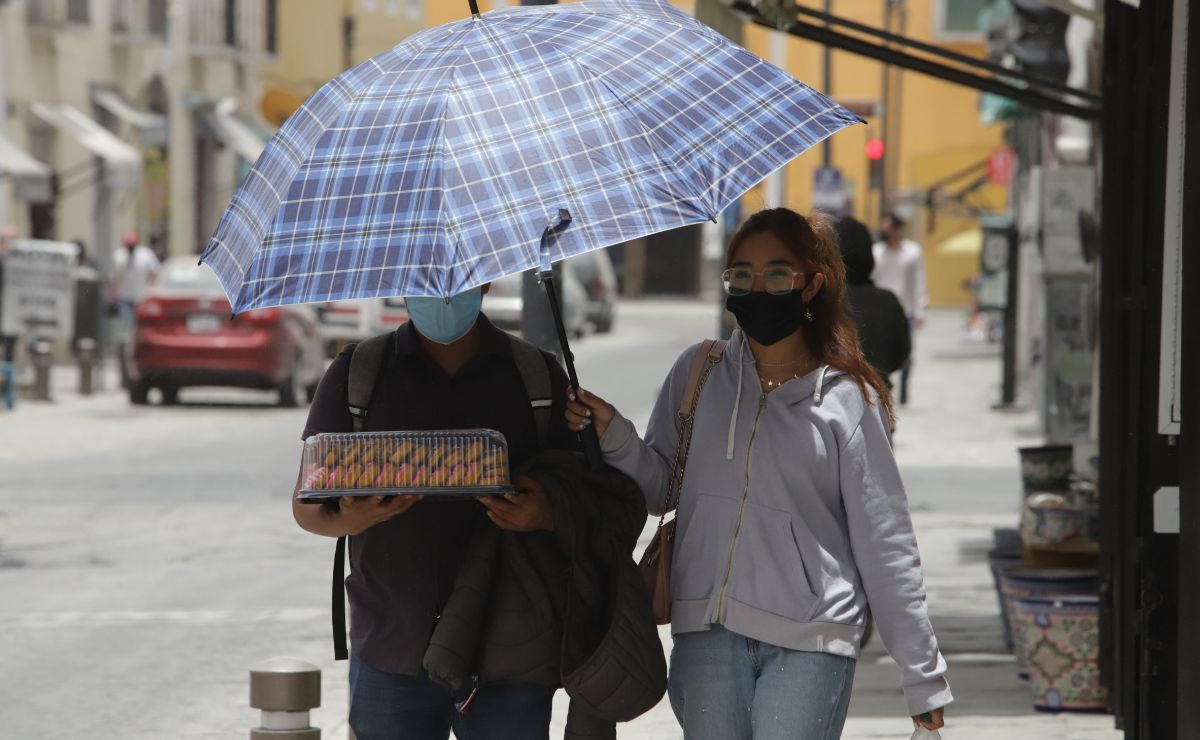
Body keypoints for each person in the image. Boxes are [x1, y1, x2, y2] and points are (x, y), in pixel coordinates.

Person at [566, 208, 952, 739]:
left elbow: (885, 542)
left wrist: (922, 675)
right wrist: (613, 434)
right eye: (740, 274)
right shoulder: (698, 373)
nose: (756, 286)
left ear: (812, 284)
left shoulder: (847, 400)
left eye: (776, 273)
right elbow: (661, 489)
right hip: (706, 636)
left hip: (812, 641)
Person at [293, 286, 637, 740]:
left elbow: (582, 495)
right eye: (424, 277)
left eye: (455, 278)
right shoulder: (359, 373)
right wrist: (352, 520)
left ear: (486, 281)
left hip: (513, 645)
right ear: (401, 284)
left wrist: (545, 511)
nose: (442, 292)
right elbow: (306, 506)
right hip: (394, 641)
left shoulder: (535, 374)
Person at [836, 216, 911, 384]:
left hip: (827, 402)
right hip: (878, 394)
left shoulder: (820, 301)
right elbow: (902, 353)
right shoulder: (888, 301)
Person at [871, 212, 928, 405]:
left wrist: (920, 308)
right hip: (881, 310)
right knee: (883, 349)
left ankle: (904, 387)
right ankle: (885, 386)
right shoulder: (877, 252)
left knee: (906, 351)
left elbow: (919, 280)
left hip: (905, 310)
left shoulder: (912, 252)